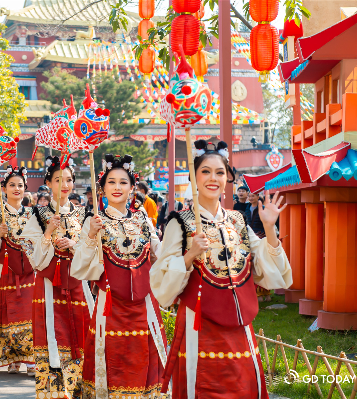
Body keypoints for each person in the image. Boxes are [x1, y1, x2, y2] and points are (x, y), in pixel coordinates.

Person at [150, 140, 292, 399]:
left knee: (242, 388)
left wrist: (270, 228)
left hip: (240, 327)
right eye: (205, 171)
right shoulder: (180, 223)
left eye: (219, 172)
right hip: (200, 326)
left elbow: (265, 270)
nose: (213, 178)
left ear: (228, 177)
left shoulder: (237, 220)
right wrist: (190, 254)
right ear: (194, 177)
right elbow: (161, 283)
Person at [71, 154, 168, 398]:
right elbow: (81, 267)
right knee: (112, 361)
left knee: (146, 360)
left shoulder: (142, 219)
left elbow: (160, 252)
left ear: (132, 187)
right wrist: (92, 236)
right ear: (102, 188)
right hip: (110, 307)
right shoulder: (95, 221)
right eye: (111, 182)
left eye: (123, 182)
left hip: (145, 305)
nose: (117, 187)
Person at [21, 156, 92, 397]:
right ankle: (54, 391)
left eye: (69, 179)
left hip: (77, 283)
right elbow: (31, 253)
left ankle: (79, 389)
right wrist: (49, 232)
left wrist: (74, 244)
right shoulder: (39, 214)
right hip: (49, 285)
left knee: (81, 334)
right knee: (53, 333)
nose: (65, 184)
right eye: (59, 179)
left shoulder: (82, 214)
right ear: (49, 183)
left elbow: (92, 250)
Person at [0, 166, 35, 375]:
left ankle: (30, 359)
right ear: (3, 188)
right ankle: (12, 357)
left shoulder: (32, 213)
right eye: (12, 185)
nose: (16, 188)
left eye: (20, 185)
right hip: (5, 271)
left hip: (30, 271)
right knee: (7, 313)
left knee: (29, 313)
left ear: (25, 189)